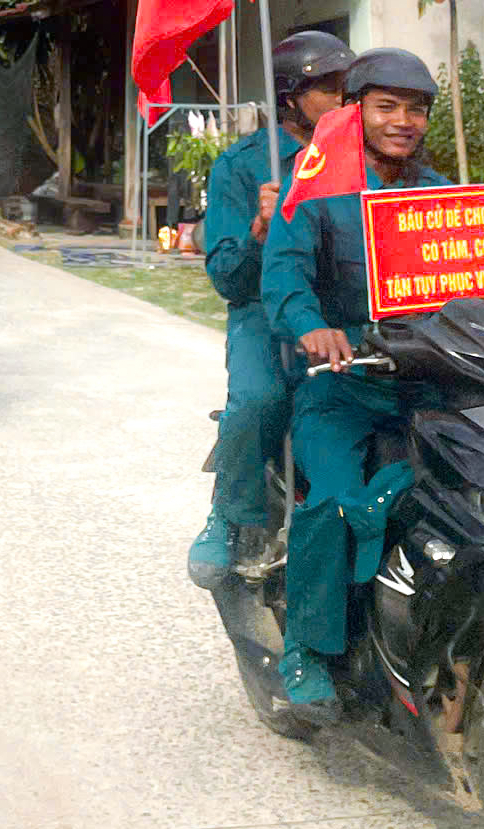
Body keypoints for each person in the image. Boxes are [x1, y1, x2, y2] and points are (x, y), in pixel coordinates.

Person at [260, 48, 484, 720]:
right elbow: (284, 279)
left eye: (415, 108)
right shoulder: (315, 187)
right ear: (354, 111)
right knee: (331, 499)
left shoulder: (441, 193)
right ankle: (308, 652)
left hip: (441, 385)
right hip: (347, 383)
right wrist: (312, 328)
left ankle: (467, 621)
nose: (402, 120)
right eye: (386, 106)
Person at [188, 31, 354, 589]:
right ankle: (230, 515)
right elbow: (227, 278)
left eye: (348, 88)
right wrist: (262, 228)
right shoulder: (241, 167)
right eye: (328, 88)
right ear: (290, 96)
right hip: (264, 307)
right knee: (259, 398)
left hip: (345, 309)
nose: (343, 100)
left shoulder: (366, 159)